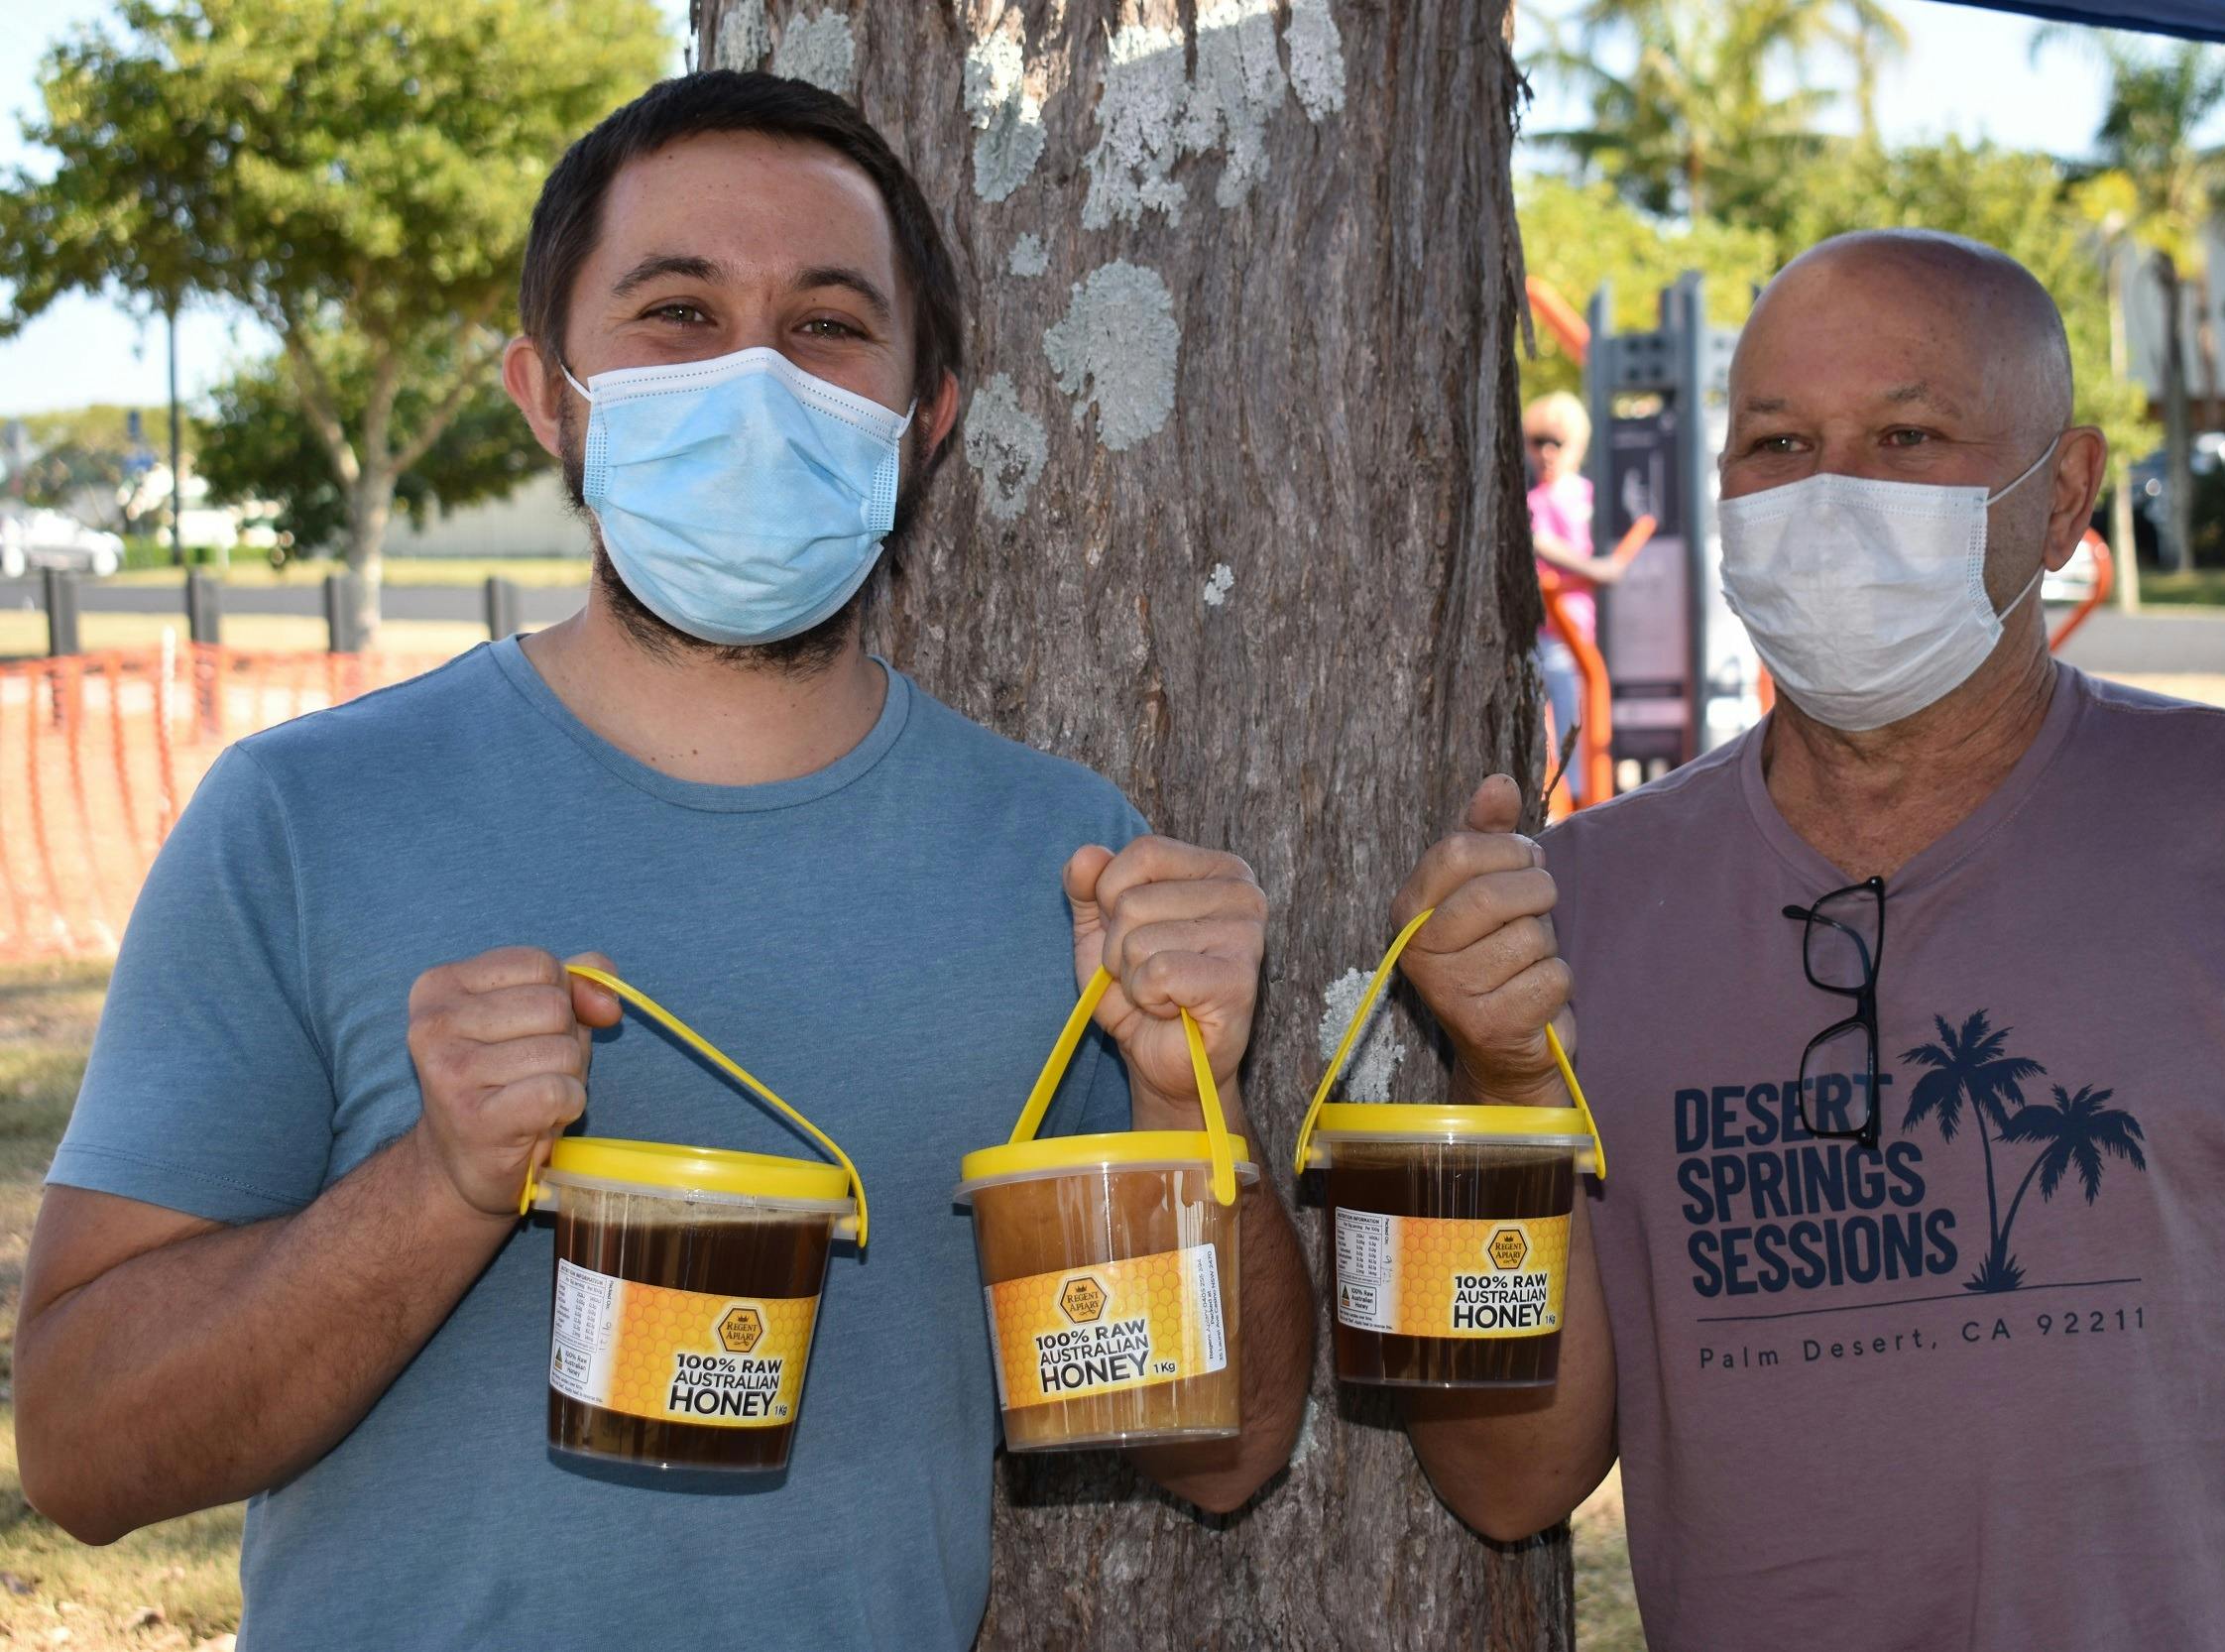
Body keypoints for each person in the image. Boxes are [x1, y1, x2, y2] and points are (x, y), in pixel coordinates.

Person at [17, 71, 1312, 1649]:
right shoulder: (303, 819)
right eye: (679, 311)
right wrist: (438, 1187)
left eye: (829, 326)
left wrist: (1188, 1102)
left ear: (928, 421)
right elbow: (84, 1450)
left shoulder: (1070, 866)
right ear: (547, 394)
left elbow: (1223, 1449)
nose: (756, 375)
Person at [1391, 229, 2225, 1648]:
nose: (1830, 495)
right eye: (1778, 442)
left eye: (1908, 434)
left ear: (2064, 494)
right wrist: (1506, 1085)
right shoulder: (1574, 908)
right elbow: (1505, 1479)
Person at [1523, 392, 1628, 765]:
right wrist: (1596, 570)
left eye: (1556, 443)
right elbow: (1539, 540)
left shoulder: (1587, 496)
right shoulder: (1534, 502)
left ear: (1576, 446)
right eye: (1537, 442)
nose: (1546, 452)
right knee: (1558, 727)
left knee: (1583, 726)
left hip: (1587, 632)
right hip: (1552, 634)